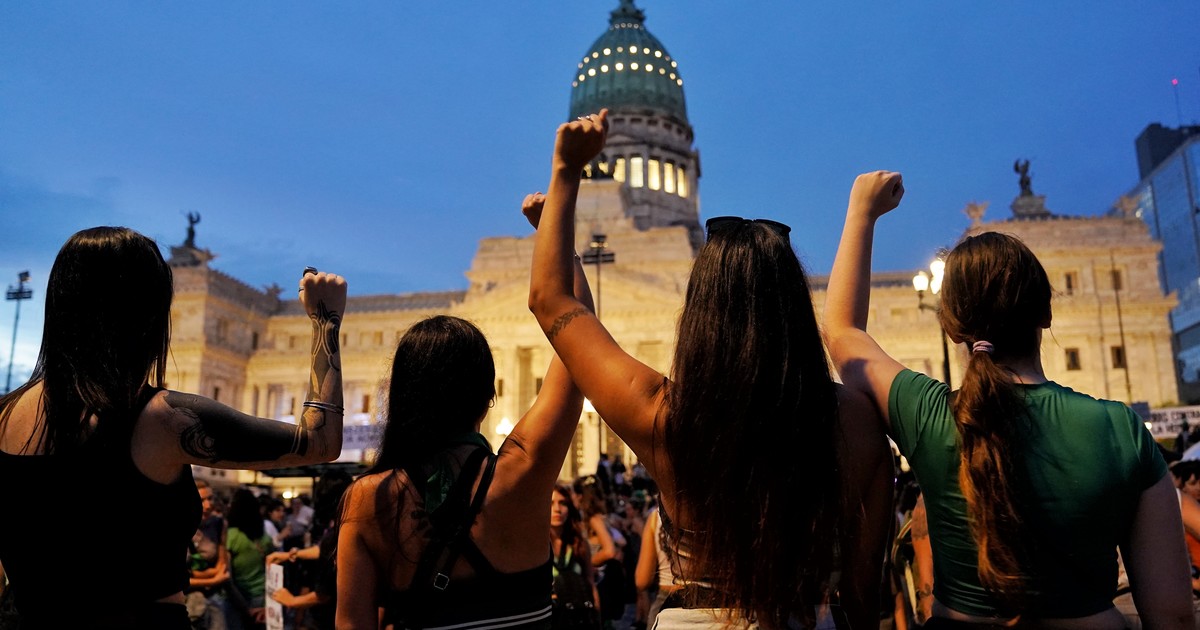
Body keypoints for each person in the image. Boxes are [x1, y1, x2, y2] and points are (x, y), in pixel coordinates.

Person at [526, 110, 894, 629]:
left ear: (699, 313)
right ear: (795, 307)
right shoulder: (855, 422)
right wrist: (863, 216)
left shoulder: (665, 415)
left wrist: (566, 173)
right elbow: (863, 591)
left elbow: (550, 301)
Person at [823, 171, 1194, 628]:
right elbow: (1173, 615)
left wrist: (862, 212)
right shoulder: (1120, 429)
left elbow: (842, 331)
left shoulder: (932, 417)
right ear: (1046, 313)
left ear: (951, 329)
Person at [0, 226, 347, 630]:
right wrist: (325, 321)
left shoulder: (4, 415)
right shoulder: (161, 418)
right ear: (146, 315)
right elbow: (320, 441)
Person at [335, 201, 595, 629]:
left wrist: (325, 325)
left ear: (401, 396)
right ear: (489, 394)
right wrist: (558, 242)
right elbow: (581, 336)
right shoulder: (524, 472)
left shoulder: (368, 499)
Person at [551, 482, 601, 630]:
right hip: (552, 618)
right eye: (551, 503)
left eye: (562, 503)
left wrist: (597, 616)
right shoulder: (536, 546)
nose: (557, 509)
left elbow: (590, 582)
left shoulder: (579, 544)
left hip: (579, 617)